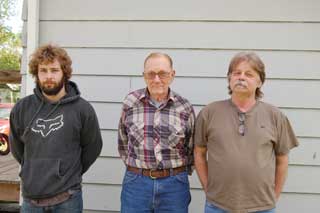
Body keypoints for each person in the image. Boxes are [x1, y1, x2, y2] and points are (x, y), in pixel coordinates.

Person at [194, 52, 299, 213]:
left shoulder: (275, 116)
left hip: (262, 207)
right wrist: (209, 190)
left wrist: (273, 196)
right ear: (229, 79)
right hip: (218, 206)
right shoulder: (209, 113)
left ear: (259, 81)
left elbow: (282, 159)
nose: (241, 77)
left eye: (248, 74)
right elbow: (199, 153)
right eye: (236, 73)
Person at [9, 44, 103, 213]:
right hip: (31, 201)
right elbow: (17, 149)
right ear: (36, 74)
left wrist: (68, 171)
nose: (48, 76)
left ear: (64, 73)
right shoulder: (22, 108)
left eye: (54, 70)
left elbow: (93, 147)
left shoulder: (82, 109)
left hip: (68, 199)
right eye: (43, 71)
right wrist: (34, 168)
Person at [118, 52, 195, 213]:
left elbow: (191, 146)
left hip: (174, 186)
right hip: (136, 184)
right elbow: (123, 142)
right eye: (151, 74)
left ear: (172, 75)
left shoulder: (184, 107)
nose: (157, 79)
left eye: (163, 74)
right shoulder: (130, 103)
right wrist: (139, 169)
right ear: (144, 75)